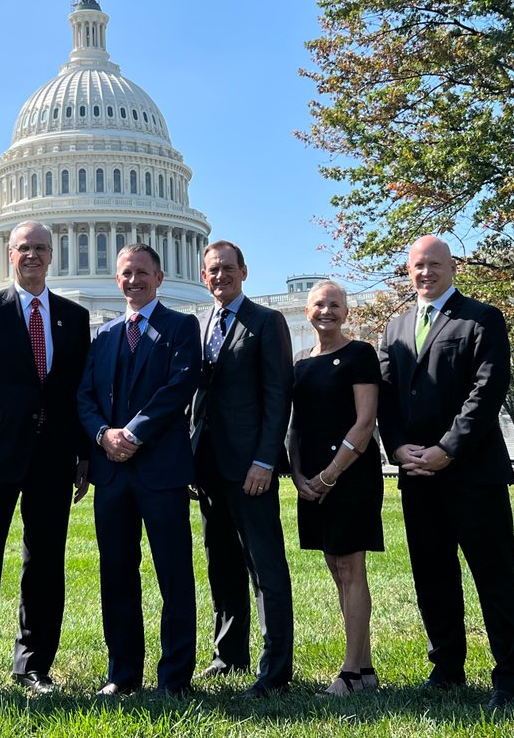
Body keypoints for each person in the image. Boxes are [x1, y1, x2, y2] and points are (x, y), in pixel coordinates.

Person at [378, 236, 514, 713]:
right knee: (432, 576)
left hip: (473, 474)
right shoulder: (396, 327)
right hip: (417, 474)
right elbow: (386, 396)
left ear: (452, 267)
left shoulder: (481, 318)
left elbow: (487, 393)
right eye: (418, 266)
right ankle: (446, 668)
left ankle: (508, 677)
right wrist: (397, 447)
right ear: (408, 271)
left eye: (434, 265)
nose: (426, 273)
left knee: (494, 576)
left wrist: (448, 449)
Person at [0, 221, 91, 704]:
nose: (32, 255)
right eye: (23, 248)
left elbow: (76, 395)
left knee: (46, 562)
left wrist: (81, 455)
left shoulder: (73, 317)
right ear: (9, 255)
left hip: (52, 457)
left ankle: (34, 665)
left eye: (40, 248)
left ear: (52, 255)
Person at [77, 244, 203, 697]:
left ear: (159, 277)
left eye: (142, 273)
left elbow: (179, 385)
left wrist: (132, 433)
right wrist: (102, 436)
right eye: (126, 274)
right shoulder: (106, 335)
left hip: (161, 471)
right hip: (112, 474)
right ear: (117, 280)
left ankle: (174, 677)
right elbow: (85, 396)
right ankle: (122, 673)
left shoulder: (181, 326)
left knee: (173, 574)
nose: (134, 281)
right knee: (117, 573)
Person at [190, 240, 295, 698]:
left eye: (228, 269)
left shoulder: (266, 322)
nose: (220, 276)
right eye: (213, 270)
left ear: (244, 272)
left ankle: (275, 669)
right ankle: (228, 654)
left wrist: (265, 460)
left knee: (264, 568)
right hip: (208, 467)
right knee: (222, 564)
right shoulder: (200, 325)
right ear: (203, 275)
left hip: (251, 466)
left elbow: (278, 396)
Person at [288, 280, 383, 696]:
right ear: (307, 311)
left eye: (334, 305)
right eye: (319, 304)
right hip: (311, 480)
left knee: (351, 568)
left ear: (346, 312)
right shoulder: (299, 363)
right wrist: (297, 476)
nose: (326, 311)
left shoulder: (360, 354)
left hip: (350, 475)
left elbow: (364, 424)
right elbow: (297, 427)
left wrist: (330, 474)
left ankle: (348, 670)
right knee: (335, 569)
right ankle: (363, 670)